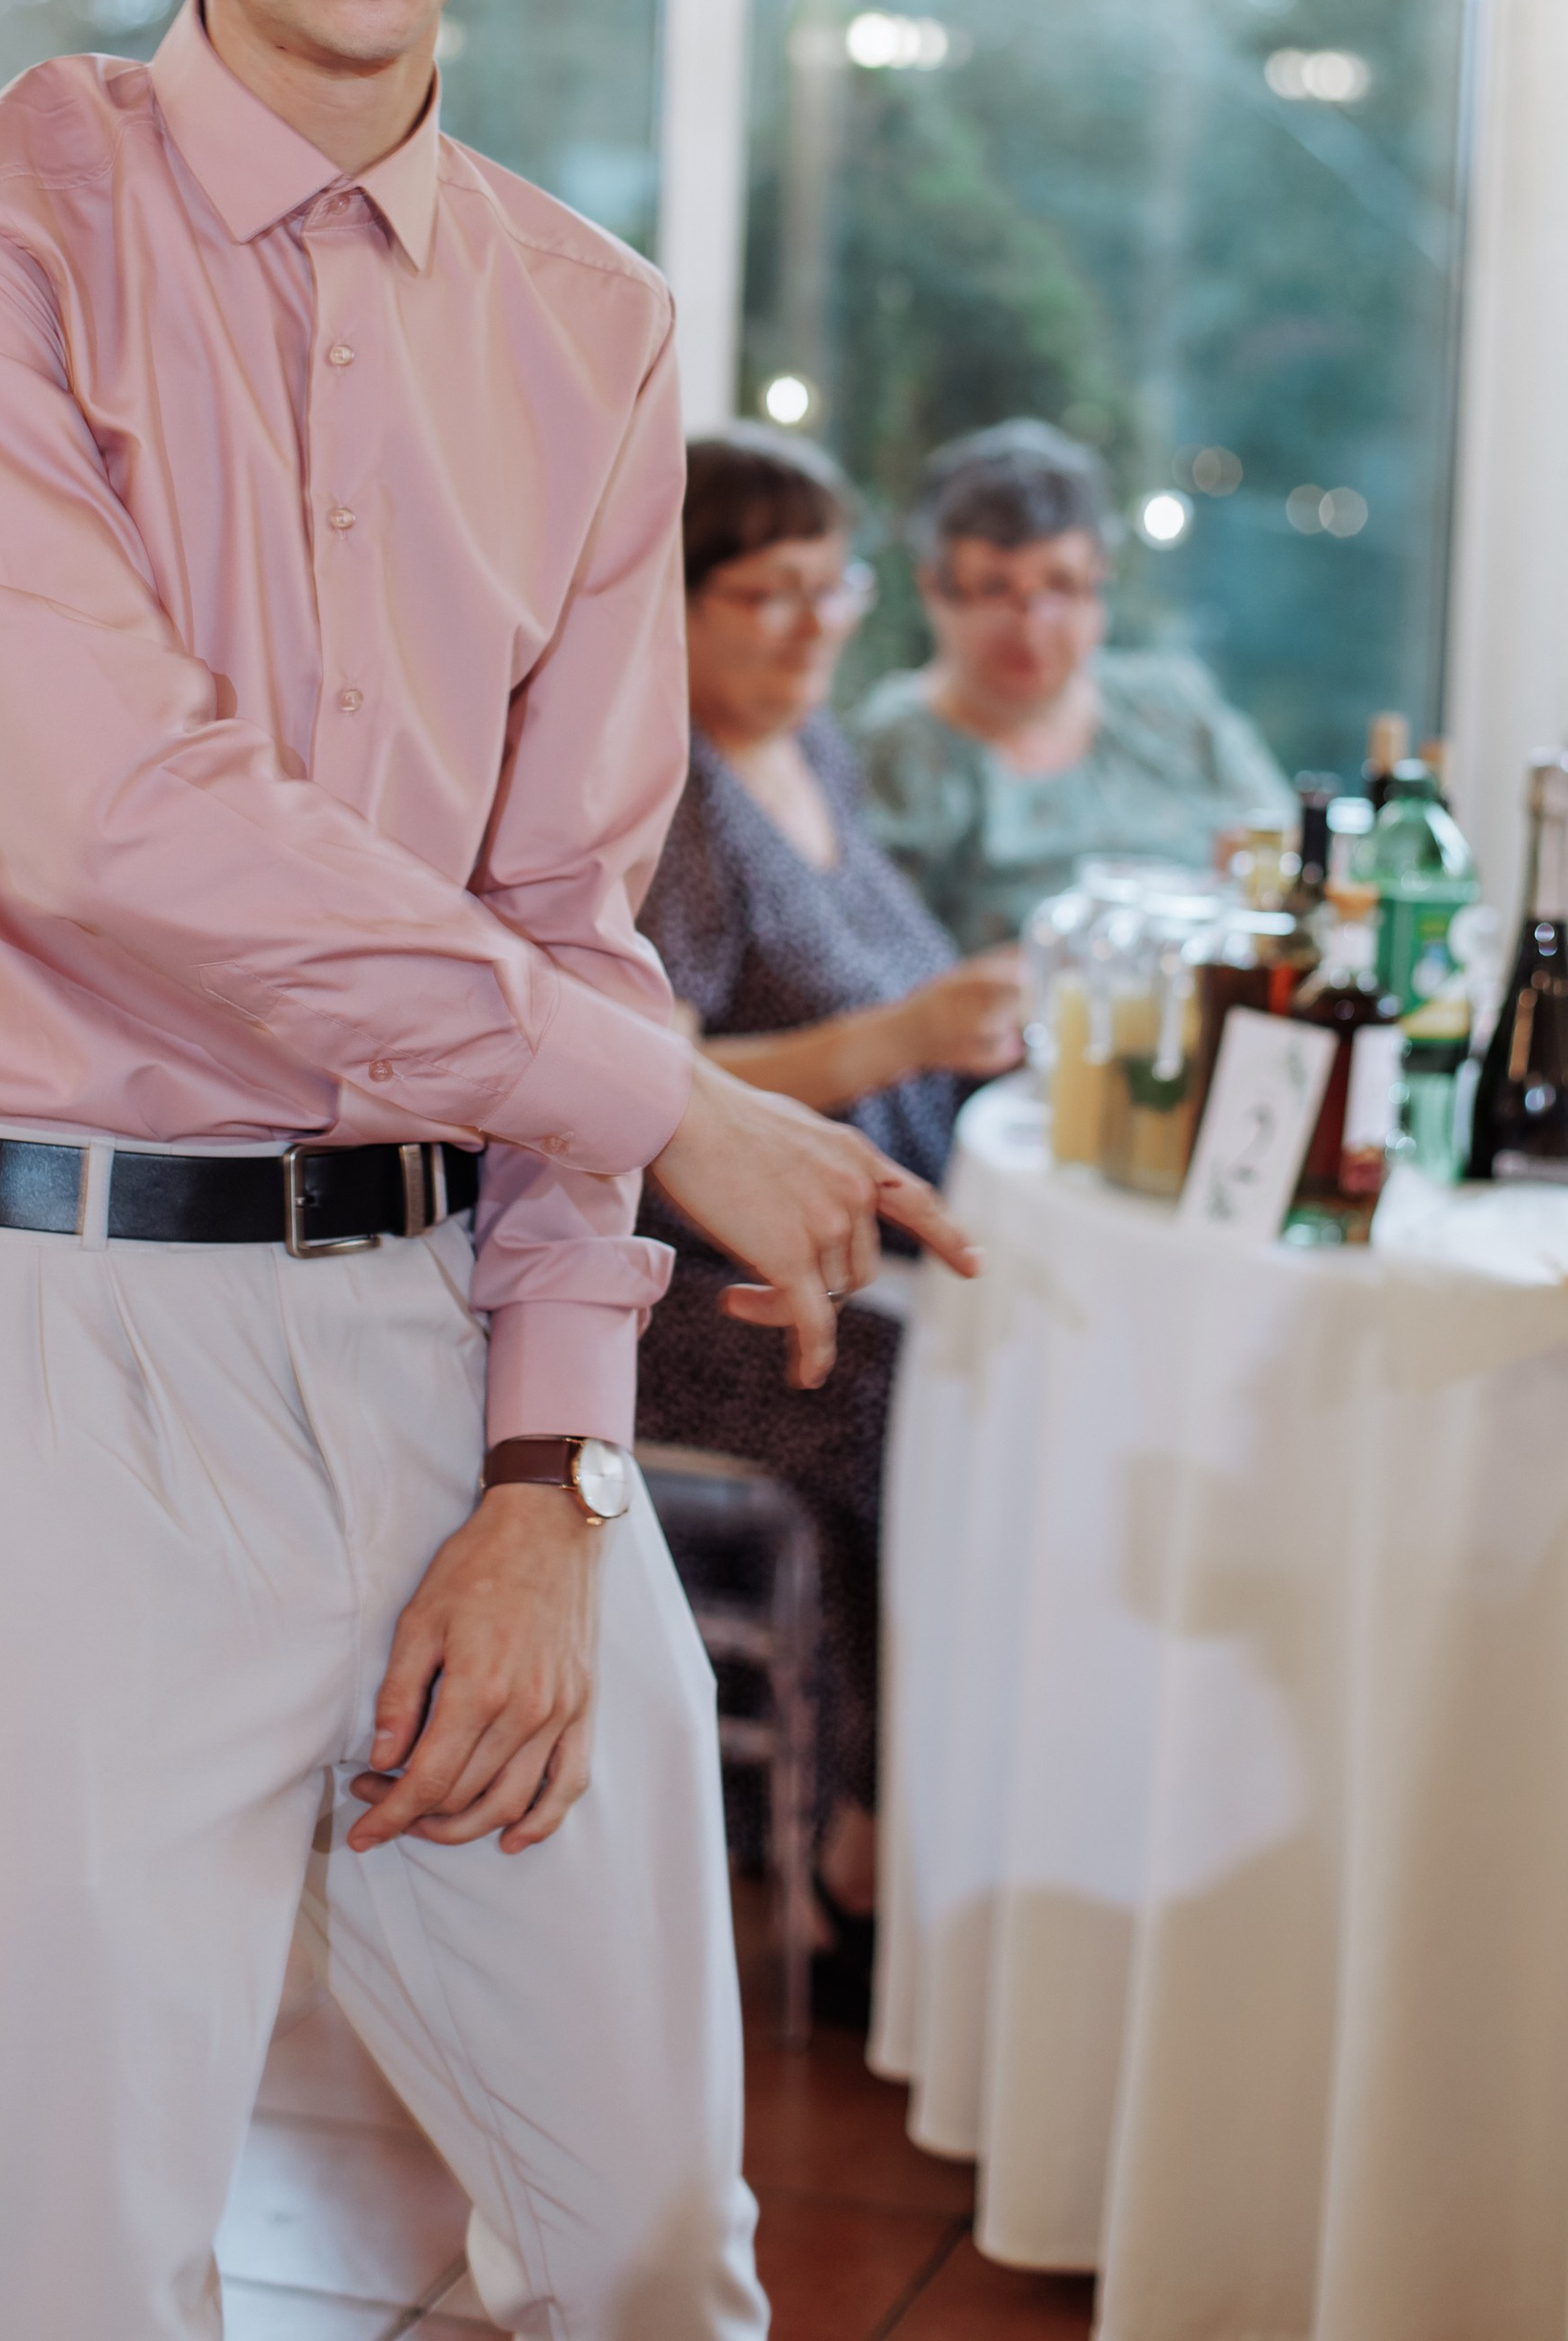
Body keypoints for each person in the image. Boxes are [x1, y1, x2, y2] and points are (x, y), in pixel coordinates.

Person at [0, 0, 975, 2341]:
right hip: (55, 1348)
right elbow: (123, 822)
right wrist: (662, 1105)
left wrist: (555, 1470)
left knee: (641, 2246)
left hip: (449, 1341)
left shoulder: (588, 326)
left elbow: (573, 904)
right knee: (53, 2267)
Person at [634, 430, 1024, 1999]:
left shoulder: (817, 760)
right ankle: (858, 1844)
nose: (809, 630)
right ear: (663, 601)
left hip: (835, 1235)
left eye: (830, 591)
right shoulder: (668, 797)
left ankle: (967, 1810)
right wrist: (896, 1042)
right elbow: (649, 1074)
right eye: (763, 595)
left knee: (996, 1368)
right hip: (688, 1274)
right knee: (890, 1396)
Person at [849, 417, 1287, 951]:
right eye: (994, 588)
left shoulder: (1171, 704)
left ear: (1099, 578)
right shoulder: (897, 752)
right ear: (934, 589)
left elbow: (1282, 858)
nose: (1031, 624)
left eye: (1059, 584)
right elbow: (885, 971)